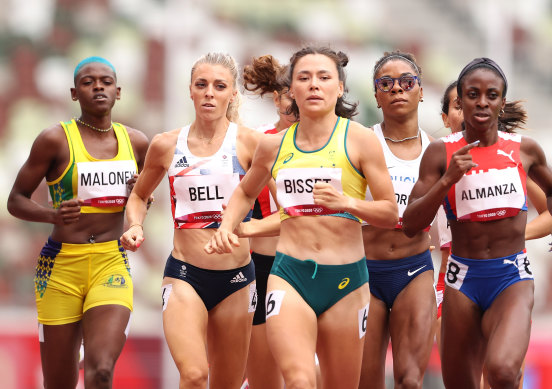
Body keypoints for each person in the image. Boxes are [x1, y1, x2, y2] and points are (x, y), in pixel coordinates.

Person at [205, 46, 398, 389]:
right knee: (298, 381)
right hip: (289, 275)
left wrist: (347, 203)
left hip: (346, 281)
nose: (313, 85)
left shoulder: (361, 141)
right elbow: (246, 192)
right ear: (290, 90)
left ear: (339, 87)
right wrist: (226, 225)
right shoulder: (273, 146)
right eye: (304, 78)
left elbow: (389, 212)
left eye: (324, 78)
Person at [403, 57, 552, 389]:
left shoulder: (524, 150)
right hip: (461, 280)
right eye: (472, 94)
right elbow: (411, 222)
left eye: (491, 95)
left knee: (503, 371)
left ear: (502, 102)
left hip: (511, 276)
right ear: (461, 100)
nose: (482, 102)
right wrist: (447, 180)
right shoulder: (440, 154)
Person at [120, 52, 262, 389]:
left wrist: (246, 229)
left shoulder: (250, 143)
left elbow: (287, 211)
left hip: (238, 281)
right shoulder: (167, 144)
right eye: (202, 85)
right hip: (185, 275)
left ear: (232, 94)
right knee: (195, 375)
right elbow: (139, 195)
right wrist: (136, 225)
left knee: (226, 383)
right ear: (190, 91)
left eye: (219, 86)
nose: (210, 92)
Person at [7, 56, 149, 389]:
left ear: (118, 92)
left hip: (110, 262)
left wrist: (139, 201)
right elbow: (15, 200)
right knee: (59, 383)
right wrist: (51, 214)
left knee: (101, 371)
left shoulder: (138, 143)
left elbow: (142, 203)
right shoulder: (54, 140)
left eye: (106, 81)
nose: (98, 86)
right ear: (74, 93)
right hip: (60, 267)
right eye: (88, 82)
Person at [435, 80, 552, 388]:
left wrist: (510, 237)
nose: (467, 112)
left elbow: (551, 214)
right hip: (452, 281)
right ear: (446, 117)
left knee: (503, 376)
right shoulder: (433, 162)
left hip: (506, 276)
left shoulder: (505, 162)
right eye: (458, 106)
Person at [358, 51, 436, 389]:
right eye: (386, 83)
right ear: (376, 95)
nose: (397, 89)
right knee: (364, 382)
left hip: (414, 270)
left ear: (420, 90)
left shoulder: (438, 151)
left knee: (410, 380)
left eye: (407, 82)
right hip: (363, 271)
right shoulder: (360, 143)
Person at [241, 54, 295, 389]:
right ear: (276, 99)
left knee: (307, 373)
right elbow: (238, 201)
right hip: (261, 267)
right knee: (264, 379)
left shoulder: (333, 143)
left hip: (308, 264)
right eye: (288, 93)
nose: (296, 101)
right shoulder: (257, 142)